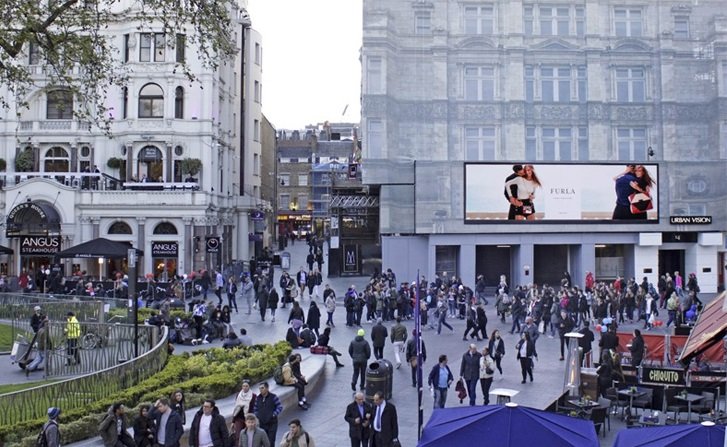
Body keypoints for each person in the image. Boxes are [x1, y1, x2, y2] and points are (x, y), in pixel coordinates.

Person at [254, 382, 283, 447]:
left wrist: (274, 414)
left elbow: (280, 407)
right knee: (264, 441)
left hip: (272, 423)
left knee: (271, 441)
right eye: (259, 388)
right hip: (262, 423)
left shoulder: (273, 397)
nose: (261, 390)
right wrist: (258, 415)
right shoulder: (258, 398)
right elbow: (255, 409)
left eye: (262, 388)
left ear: (267, 388)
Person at [232, 380, 257, 446]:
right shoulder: (238, 395)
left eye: (246, 386)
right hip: (238, 418)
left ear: (249, 387)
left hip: (248, 418)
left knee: (248, 436)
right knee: (238, 435)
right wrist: (233, 421)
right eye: (243, 386)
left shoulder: (253, 396)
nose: (244, 387)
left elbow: (254, 408)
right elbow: (236, 408)